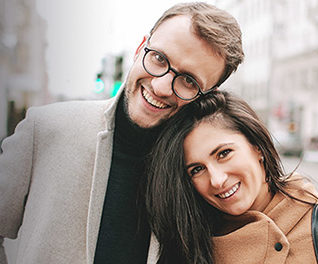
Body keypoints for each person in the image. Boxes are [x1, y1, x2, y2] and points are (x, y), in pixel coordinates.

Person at [0, 3, 244, 264]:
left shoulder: (202, 171)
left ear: (208, 96)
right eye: (159, 58)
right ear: (141, 47)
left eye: (188, 81)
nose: (161, 86)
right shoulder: (47, 129)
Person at [146, 91, 318, 263]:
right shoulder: (190, 248)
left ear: (257, 147)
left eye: (223, 153)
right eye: (197, 169)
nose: (216, 180)